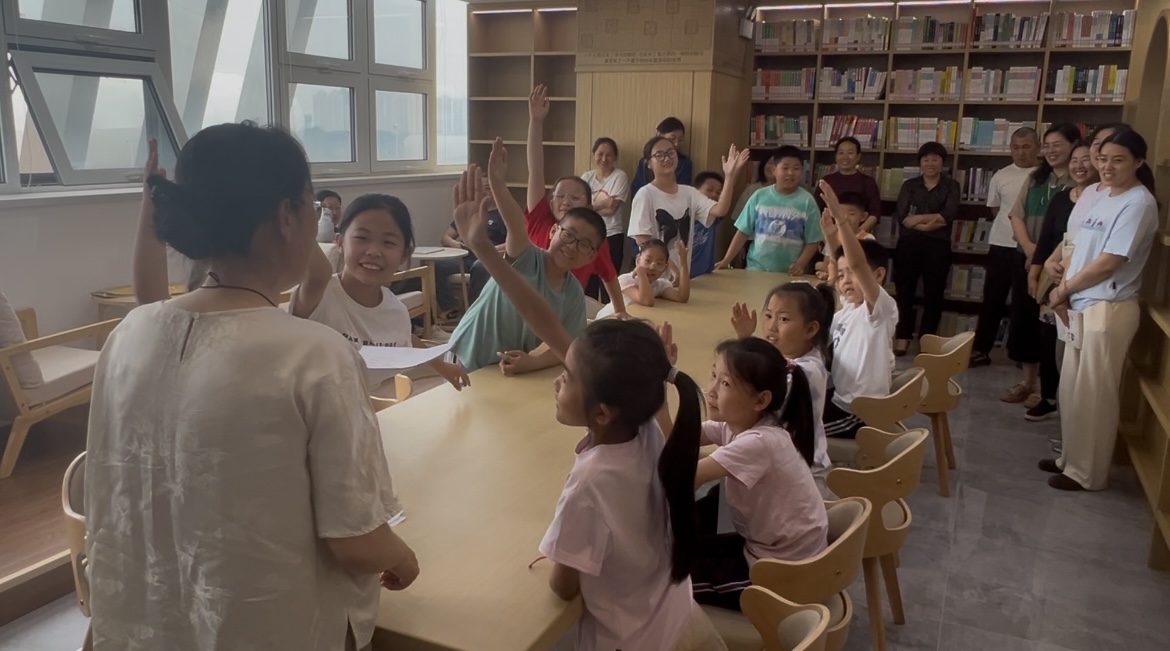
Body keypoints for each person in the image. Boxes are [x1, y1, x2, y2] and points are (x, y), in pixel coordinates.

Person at [86, 122, 418, 651]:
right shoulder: (314, 354)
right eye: (314, 206)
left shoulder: (128, 334)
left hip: (143, 629)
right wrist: (403, 558)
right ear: (287, 215)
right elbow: (356, 541)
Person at [450, 167, 726, 650]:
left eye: (569, 377)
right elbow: (543, 318)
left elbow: (563, 587)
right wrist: (483, 249)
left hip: (627, 639)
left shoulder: (592, 481)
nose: (559, 377)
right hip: (669, 617)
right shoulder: (647, 429)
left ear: (601, 412)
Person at [1042, 129, 1159, 492]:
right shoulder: (1104, 195)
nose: (1107, 167)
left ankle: (1087, 473)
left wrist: (1063, 290)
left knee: (1095, 394)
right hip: (1080, 302)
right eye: (1103, 159)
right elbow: (1078, 247)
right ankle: (1069, 459)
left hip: (1107, 307)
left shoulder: (1138, 203)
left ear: (1138, 162)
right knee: (1073, 390)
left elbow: (1108, 263)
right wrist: (1061, 280)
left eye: (1118, 160)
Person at [690, 336, 828, 610]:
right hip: (770, 548)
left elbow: (686, 476)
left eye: (725, 383)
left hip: (783, 573)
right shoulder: (740, 424)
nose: (711, 390)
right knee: (683, 546)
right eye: (714, 375)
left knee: (668, 582)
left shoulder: (759, 443)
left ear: (761, 400)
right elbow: (678, 436)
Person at [289, 193, 470, 394]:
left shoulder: (396, 311)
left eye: (388, 242)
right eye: (362, 238)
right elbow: (316, 274)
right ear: (340, 242)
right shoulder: (319, 294)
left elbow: (403, 336)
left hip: (364, 408)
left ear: (405, 254)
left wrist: (443, 367)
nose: (373, 251)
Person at [447, 138, 597, 375]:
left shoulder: (573, 294)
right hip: (465, 356)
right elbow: (517, 225)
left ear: (591, 257)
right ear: (553, 231)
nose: (572, 246)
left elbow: (569, 345)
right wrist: (498, 185)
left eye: (585, 245)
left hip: (502, 370)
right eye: (569, 235)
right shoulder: (527, 257)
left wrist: (533, 362)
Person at [526, 86, 627, 315]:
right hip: (526, 309)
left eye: (574, 197)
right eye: (560, 196)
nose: (566, 202)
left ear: (588, 206)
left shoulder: (593, 239)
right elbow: (535, 168)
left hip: (564, 313)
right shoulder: (540, 220)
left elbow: (610, 277)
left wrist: (620, 311)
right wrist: (536, 121)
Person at [730, 282, 837, 496]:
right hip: (788, 464)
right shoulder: (801, 355)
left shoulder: (803, 372)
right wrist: (746, 340)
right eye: (769, 315)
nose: (771, 326)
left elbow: (750, 405)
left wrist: (745, 347)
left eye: (784, 319)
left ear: (810, 329)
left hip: (800, 478)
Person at [1002, 123, 1080, 404]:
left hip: (1061, 266)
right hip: (1027, 257)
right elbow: (1016, 215)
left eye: (1057, 145)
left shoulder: (1080, 182)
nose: (1050, 151)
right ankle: (1028, 381)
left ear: (1074, 145)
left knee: (1051, 329)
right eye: (1047, 146)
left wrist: (1046, 257)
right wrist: (1030, 250)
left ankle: (1048, 391)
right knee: (1024, 320)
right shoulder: (1036, 178)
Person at [1024, 139, 1099, 422]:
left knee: (1073, 347)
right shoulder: (1061, 198)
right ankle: (1048, 397)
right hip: (1055, 280)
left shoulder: (1103, 200)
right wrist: (1037, 270)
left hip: (1083, 283)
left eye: (1086, 159)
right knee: (1048, 340)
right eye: (1075, 160)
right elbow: (1047, 240)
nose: (1079, 165)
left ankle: (1071, 407)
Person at [819, 180, 897, 439]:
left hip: (859, 412)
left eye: (852, 274)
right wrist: (831, 239)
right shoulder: (848, 309)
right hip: (840, 399)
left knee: (795, 432)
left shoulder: (878, 310)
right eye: (841, 276)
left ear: (879, 276)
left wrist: (842, 221)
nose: (845, 281)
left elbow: (857, 264)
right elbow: (841, 261)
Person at [970, 127, 1040, 367]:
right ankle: (982, 349)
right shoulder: (1000, 175)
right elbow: (995, 209)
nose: (1021, 152)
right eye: (1016, 147)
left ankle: (1020, 354)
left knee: (1024, 302)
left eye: (1026, 147)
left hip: (1029, 247)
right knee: (992, 299)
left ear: (1037, 148)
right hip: (1001, 243)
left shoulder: (1043, 175)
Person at [629, 137, 749, 276]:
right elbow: (643, 240)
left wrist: (729, 176)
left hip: (682, 277)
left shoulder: (689, 193)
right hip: (653, 277)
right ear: (648, 163)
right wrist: (671, 267)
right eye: (659, 155)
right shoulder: (645, 194)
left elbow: (720, 210)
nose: (666, 158)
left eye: (670, 153)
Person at [892, 141, 960, 356]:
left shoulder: (951, 186)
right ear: (920, 163)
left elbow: (948, 215)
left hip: (938, 246)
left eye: (935, 159)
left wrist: (919, 219)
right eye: (926, 159)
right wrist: (929, 224)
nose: (930, 163)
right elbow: (903, 216)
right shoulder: (910, 185)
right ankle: (902, 337)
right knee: (904, 292)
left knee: (934, 294)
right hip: (908, 245)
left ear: (942, 162)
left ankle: (927, 340)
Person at [715, 145, 823, 275]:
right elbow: (743, 231)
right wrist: (726, 260)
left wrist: (801, 263)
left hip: (790, 272)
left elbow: (813, 240)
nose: (790, 173)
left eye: (796, 168)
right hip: (756, 268)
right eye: (785, 168)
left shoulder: (807, 201)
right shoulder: (759, 196)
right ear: (774, 170)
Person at [443, 175, 509, 305]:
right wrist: (457, 245)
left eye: (488, 188)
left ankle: (474, 308)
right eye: (481, 188)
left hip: (488, 258)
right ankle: (449, 308)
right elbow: (445, 237)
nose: (484, 192)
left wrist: (488, 249)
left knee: (479, 267)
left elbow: (511, 243)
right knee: (438, 267)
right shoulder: (470, 212)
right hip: (465, 257)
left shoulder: (504, 214)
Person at [581, 137, 631, 276]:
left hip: (612, 235)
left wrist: (589, 208)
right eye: (600, 154)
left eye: (609, 155)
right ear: (594, 155)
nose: (604, 159)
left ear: (615, 157)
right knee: (588, 281)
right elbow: (580, 209)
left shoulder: (619, 176)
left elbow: (612, 210)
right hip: (588, 235)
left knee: (609, 280)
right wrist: (605, 203)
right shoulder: (586, 177)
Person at [815, 136, 881, 226]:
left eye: (850, 153)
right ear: (836, 157)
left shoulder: (868, 182)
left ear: (858, 156)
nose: (845, 157)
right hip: (830, 231)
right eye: (841, 153)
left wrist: (858, 232)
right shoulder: (826, 181)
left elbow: (875, 214)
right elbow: (816, 211)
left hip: (858, 231)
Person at [631, 117, 694, 196]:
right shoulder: (645, 162)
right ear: (659, 135)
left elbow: (682, 191)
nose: (676, 144)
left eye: (680, 140)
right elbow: (637, 190)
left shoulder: (684, 164)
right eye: (672, 138)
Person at [619, 239, 691, 307]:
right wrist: (641, 272)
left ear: (664, 268)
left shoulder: (658, 285)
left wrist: (683, 262)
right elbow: (646, 301)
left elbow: (681, 297)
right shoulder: (626, 280)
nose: (652, 267)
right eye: (648, 261)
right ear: (638, 260)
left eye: (659, 263)